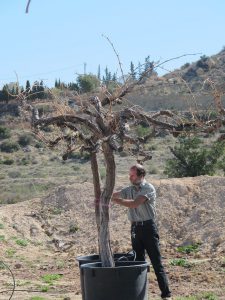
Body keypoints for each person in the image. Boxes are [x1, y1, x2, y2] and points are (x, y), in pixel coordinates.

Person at [112, 164, 172, 300]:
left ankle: (166, 294)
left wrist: (116, 201)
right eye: (130, 175)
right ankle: (140, 295)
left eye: (132, 175)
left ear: (141, 175)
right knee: (138, 263)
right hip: (135, 228)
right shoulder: (130, 188)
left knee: (156, 262)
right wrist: (105, 195)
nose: (130, 177)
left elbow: (134, 203)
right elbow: (115, 194)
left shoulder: (148, 188)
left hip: (148, 228)